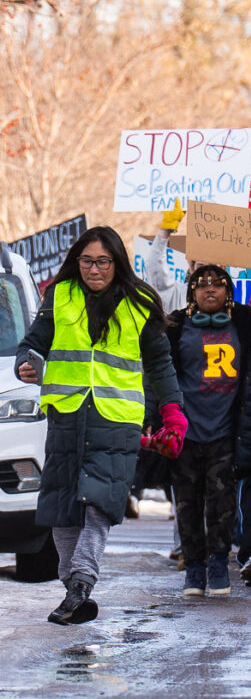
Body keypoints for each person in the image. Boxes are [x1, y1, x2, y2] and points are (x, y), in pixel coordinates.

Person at [16, 226, 186, 624]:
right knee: (62, 504)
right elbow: (34, 342)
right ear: (78, 260)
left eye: (103, 261)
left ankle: (82, 582)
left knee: (99, 502)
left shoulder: (141, 301)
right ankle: (73, 588)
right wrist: (26, 360)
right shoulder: (59, 295)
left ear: (117, 262)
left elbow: (161, 365)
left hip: (117, 418)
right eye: (87, 261)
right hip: (67, 415)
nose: (94, 269)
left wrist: (173, 412)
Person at [166, 260, 251, 597]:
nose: (209, 288)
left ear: (229, 292)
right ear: (192, 291)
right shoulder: (174, 325)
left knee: (221, 504)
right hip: (185, 431)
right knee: (187, 504)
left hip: (226, 429)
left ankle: (218, 563)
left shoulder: (245, 322)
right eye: (202, 283)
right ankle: (193, 568)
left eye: (218, 283)